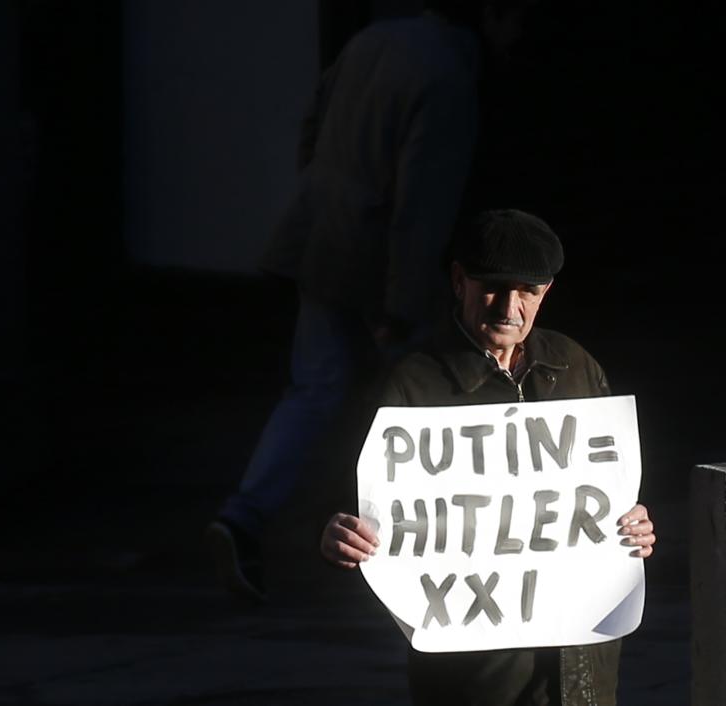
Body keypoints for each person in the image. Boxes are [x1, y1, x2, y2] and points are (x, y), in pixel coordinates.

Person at [205, 0, 534, 603]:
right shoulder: (450, 77)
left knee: (316, 390)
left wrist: (322, 204)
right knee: (427, 405)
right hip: (376, 262)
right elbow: (422, 205)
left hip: (322, 239)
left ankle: (245, 517)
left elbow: (311, 129)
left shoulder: (372, 41)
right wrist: (402, 305)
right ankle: (435, 548)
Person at [320, 208, 657, 706]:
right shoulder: (409, 386)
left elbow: (607, 490)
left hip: (583, 668)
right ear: (459, 281)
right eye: (493, 287)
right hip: (474, 677)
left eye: (528, 291)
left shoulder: (575, 365)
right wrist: (337, 536)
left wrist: (634, 523)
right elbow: (350, 510)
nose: (509, 307)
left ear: (546, 293)